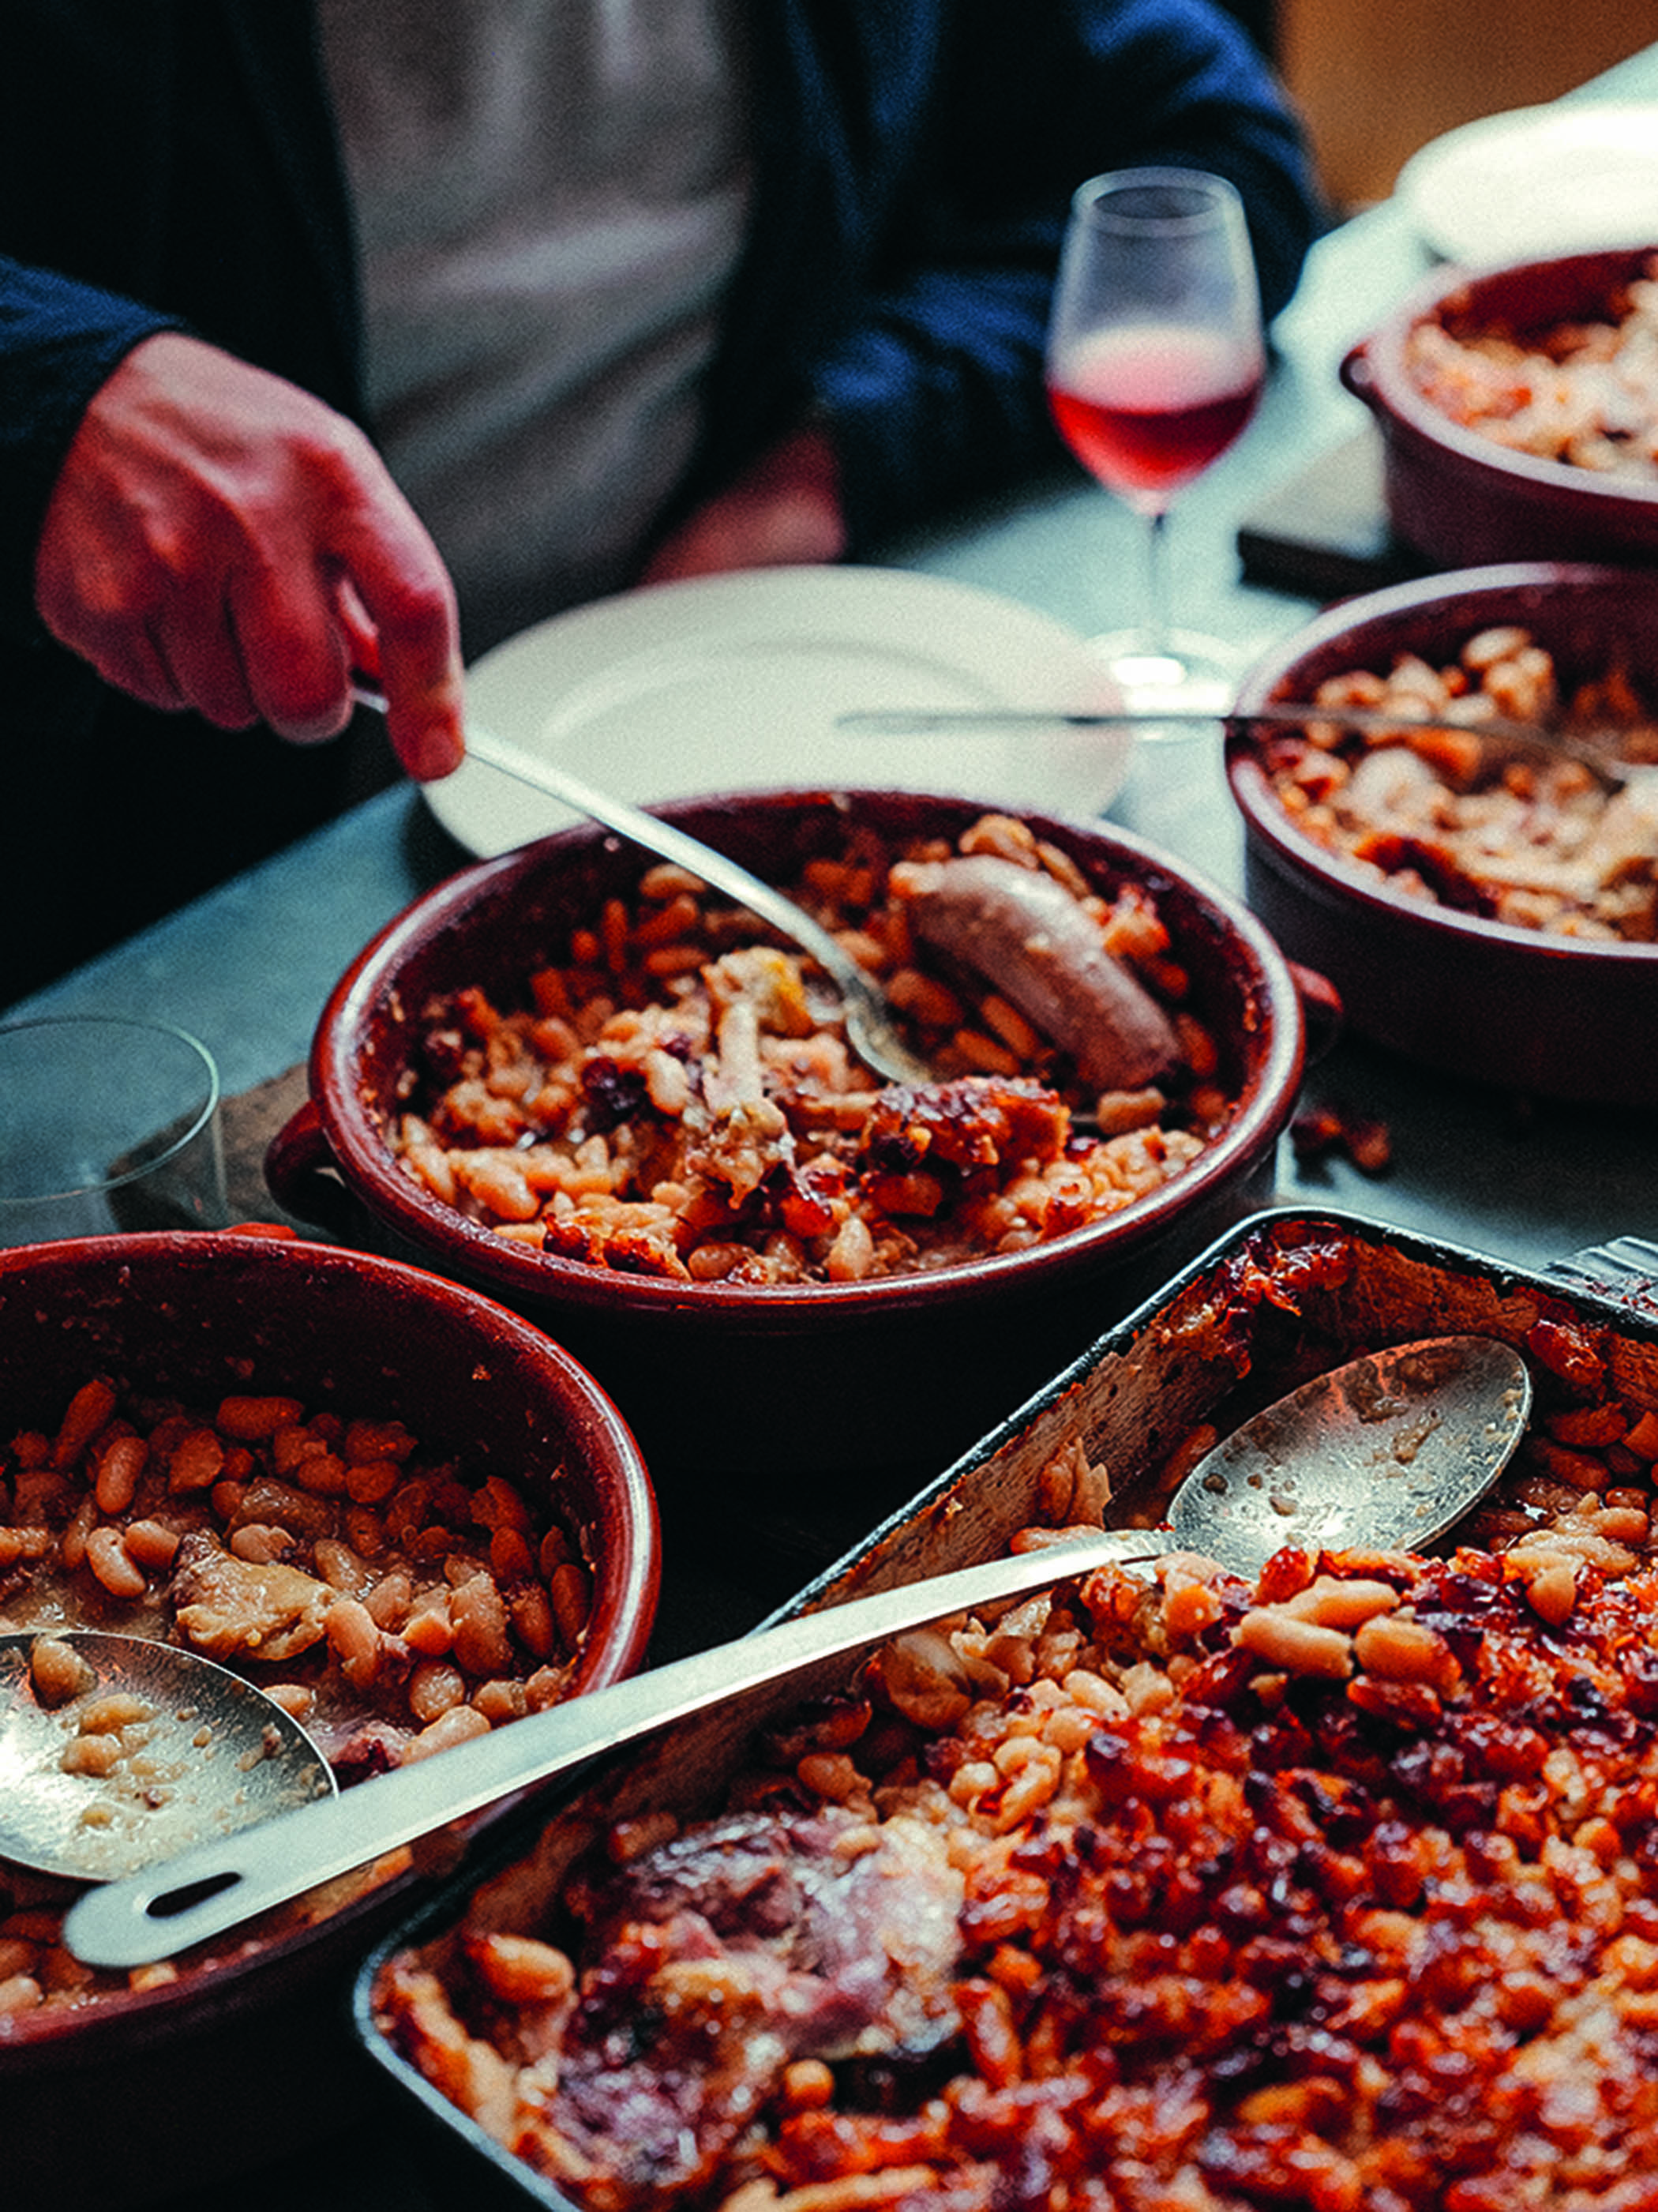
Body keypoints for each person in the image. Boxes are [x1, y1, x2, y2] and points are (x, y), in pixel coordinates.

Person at [1, 1, 1322, 1005]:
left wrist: (830, 456)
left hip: (725, 722)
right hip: (145, 907)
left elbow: (1218, 147)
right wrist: (56, 389)